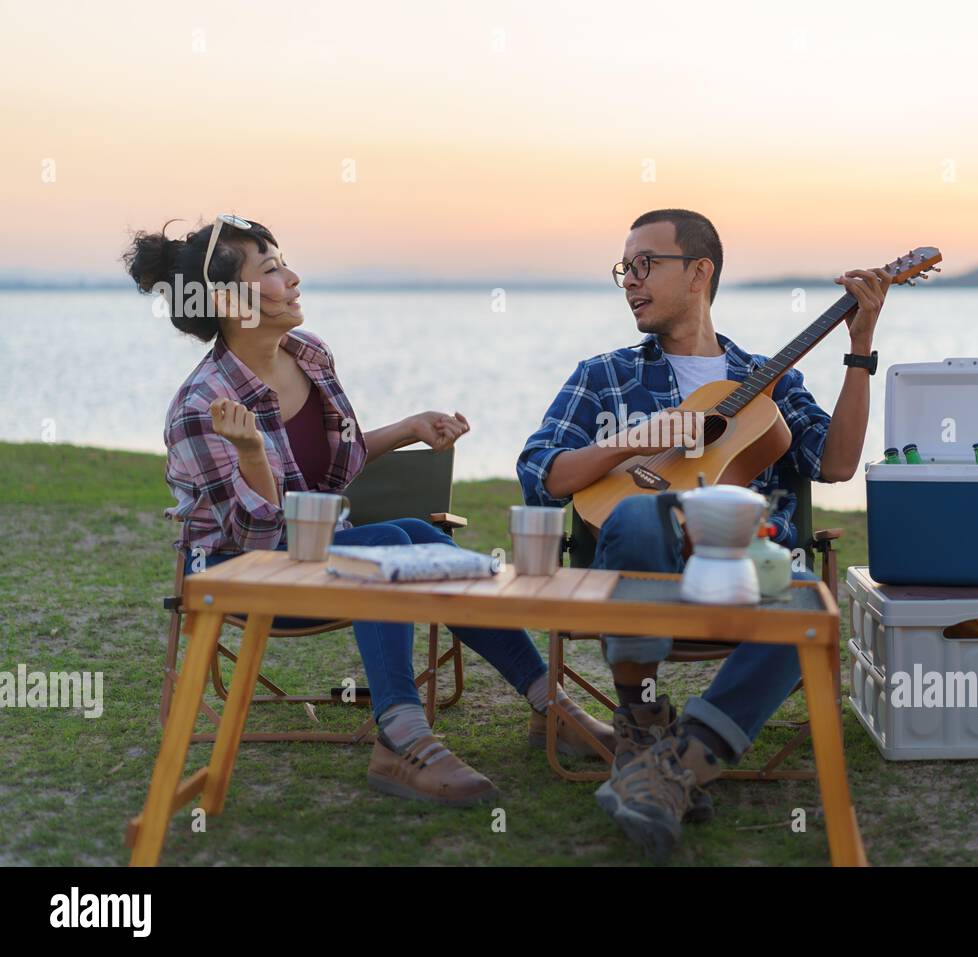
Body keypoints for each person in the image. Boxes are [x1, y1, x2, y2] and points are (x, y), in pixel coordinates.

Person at [124, 215, 613, 806]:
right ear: (229, 299)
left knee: (418, 537)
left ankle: (549, 705)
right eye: (273, 271)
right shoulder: (201, 406)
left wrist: (408, 428)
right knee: (386, 550)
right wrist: (252, 453)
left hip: (316, 557)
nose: (294, 279)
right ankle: (401, 740)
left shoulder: (309, 355)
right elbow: (255, 541)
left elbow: (334, 467)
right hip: (235, 575)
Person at [518, 208, 889, 860]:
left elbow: (834, 462)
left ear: (699, 271)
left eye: (644, 265)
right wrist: (632, 440)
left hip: (739, 573)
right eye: (622, 269)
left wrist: (859, 348)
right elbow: (543, 471)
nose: (629, 281)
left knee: (808, 598)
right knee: (638, 513)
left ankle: (675, 764)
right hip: (640, 567)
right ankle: (639, 721)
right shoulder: (603, 376)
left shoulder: (766, 379)